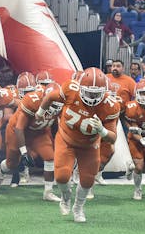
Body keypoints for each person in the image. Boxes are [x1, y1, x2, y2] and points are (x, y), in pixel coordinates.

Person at [36, 67, 120, 223]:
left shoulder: (110, 105)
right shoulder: (70, 89)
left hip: (89, 144)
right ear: (80, 87)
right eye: (89, 92)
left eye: (96, 93)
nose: (93, 97)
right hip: (66, 138)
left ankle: (78, 207)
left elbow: (113, 138)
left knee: (88, 180)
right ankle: (66, 197)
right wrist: (40, 113)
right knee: (61, 176)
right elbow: (49, 98)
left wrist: (102, 131)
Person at [0, 81, 63, 202]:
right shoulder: (32, 101)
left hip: (39, 132)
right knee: (12, 163)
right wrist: (24, 152)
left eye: (57, 105)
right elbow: (19, 128)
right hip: (17, 131)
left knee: (50, 157)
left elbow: (57, 125)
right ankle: (1, 173)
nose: (54, 108)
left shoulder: (62, 103)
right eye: (51, 104)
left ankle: (48, 192)